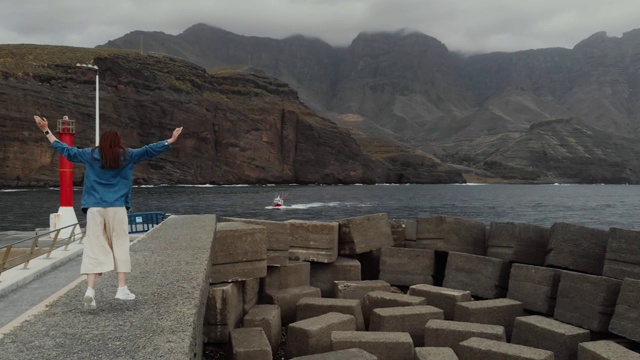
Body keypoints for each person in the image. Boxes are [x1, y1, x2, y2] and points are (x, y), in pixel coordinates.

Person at [34, 115, 183, 310]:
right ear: (118, 142)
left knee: (93, 247)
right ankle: (121, 287)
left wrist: (46, 130)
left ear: (102, 142)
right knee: (120, 245)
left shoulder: (90, 154)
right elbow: (148, 151)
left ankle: (90, 290)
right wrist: (169, 141)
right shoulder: (127, 155)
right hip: (117, 207)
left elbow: (66, 151)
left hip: (95, 208)